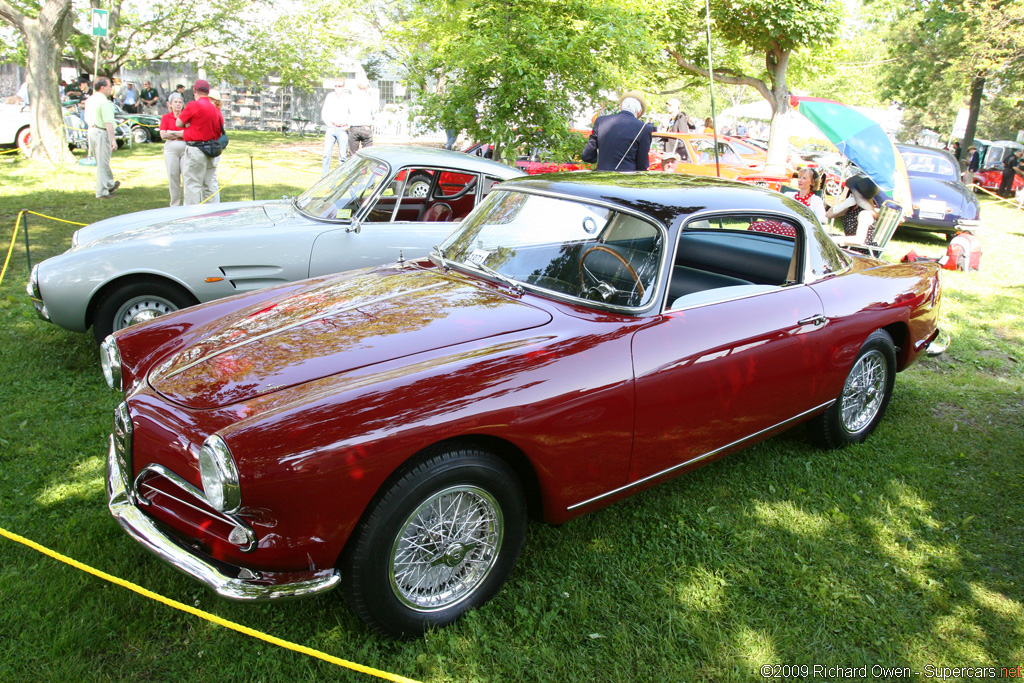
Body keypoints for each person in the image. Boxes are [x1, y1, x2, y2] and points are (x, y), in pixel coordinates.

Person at [581, 90, 655, 172]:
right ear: (639, 112)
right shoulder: (644, 128)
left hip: (602, 177)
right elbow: (642, 164)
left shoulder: (601, 121)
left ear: (621, 106)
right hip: (626, 179)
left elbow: (587, 156)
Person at [176, 79, 224, 205]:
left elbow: (178, 123)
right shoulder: (215, 109)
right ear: (208, 92)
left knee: (193, 185)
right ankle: (212, 214)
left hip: (196, 150)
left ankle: (191, 216)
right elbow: (219, 131)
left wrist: (189, 125)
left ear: (194, 91)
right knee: (209, 185)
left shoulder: (193, 105)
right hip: (211, 150)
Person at [84, 77, 121, 199]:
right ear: (102, 87)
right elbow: (108, 122)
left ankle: (109, 184)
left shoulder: (89, 100)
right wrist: (113, 140)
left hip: (91, 130)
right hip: (101, 132)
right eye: (110, 86)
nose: (111, 88)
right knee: (103, 163)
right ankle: (101, 191)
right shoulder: (105, 102)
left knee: (102, 161)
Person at [827, 174, 879, 246]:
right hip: (849, 246)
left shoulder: (865, 214)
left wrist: (836, 239)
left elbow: (859, 240)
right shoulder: (853, 207)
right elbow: (828, 214)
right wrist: (844, 204)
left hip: (859, 250)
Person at [160, 92, 188, 206]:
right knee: (173, 176)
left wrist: (173, 133)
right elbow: (163, 135)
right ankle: (174, 203)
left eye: (180, 102)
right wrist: (179, 134)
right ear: (170, 104)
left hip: (185, 146)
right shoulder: (166, 117)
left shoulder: (185, 117)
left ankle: (187, 203)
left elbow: (188, 133)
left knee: (187, 175)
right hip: (171, 147)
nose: (177, 104)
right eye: (175, 102)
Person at [320, 78, 349, 175]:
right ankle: (324, 176)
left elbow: (352, 113)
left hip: (343, 129)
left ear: (343, 87)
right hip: (331, 128)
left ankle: (341, 176)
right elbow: (324, 112)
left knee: (343, 156)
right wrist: (328, 124)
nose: (337, 88)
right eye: (335, 86)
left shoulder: (348, 98)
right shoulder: (330, 96)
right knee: (326, 154)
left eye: (339, 86)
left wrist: (348, 125)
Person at [346, 79, 377, 156]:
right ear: (366, 87)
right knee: (367, 155)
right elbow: (374, 114)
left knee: (353, 154)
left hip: (354, 128)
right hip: (366, 128)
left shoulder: (351, 99)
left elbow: (347, 112)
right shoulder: (371, 99)